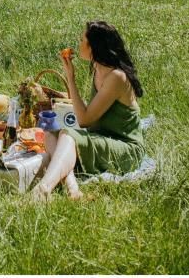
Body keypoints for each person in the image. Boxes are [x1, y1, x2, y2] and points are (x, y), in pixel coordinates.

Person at [32, 20, 144, 201]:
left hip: (125, 147)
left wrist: (71, 79)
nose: (78, 45)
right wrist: (70, 76)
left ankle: (44, 189)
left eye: (82, 41)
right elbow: (86, 112)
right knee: (50, 134)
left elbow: (84, 120)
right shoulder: (97, 69)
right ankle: (73, 190)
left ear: (94, 47)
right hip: (101, 137)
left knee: (68, 135)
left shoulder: (116, 77)